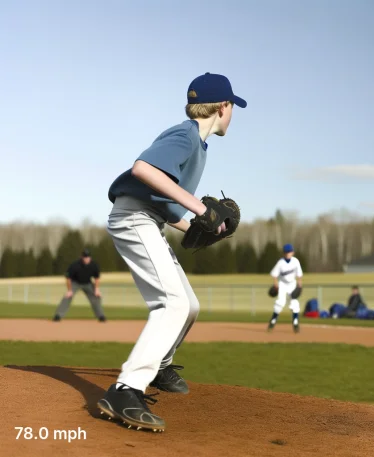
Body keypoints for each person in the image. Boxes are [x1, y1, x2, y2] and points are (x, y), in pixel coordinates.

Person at [99, 72, 247, 432]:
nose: (233, 114)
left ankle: (160, 365)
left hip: (149, 219)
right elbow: (143, 169)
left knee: (189, 306)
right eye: (233, 107)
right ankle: (125, 389)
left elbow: (166, 206)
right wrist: (201, 209)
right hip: (133, 218)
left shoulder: (198, 145)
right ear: (223, 107)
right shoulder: (185, 135)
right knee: (173, 304)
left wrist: (202, 226)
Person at [53, 249, 106, 322]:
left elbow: (97, 278)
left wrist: (96, 289)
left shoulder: (94, 265)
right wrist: (69, 290)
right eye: (85, 257)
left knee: (96, 296)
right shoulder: (75, 265)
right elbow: (68, 278)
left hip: (88, 283)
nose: (86, 258)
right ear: (82, 257)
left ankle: (101, 316)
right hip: (75, 283)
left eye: (88, 257)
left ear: (90, 257)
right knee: (67, 296)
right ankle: (58, 315)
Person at [268, 244, 304, 333]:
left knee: (294, 303)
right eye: (286, 252)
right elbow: (274, 275)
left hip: (292, 284)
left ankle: (295, 322)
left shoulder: (295, 261)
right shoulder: (280, 263)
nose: (288, 253)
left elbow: (299, 274)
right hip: (282, 284)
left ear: (293, 252)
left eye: (289, 252)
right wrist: (276, 285)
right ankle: (273, 321)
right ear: (284, 253)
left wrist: (299, 284)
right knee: (280, 303)